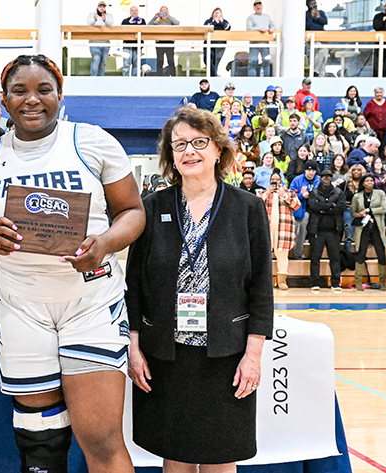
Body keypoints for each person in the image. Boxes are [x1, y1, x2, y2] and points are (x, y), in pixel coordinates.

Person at [0, 53, 142, 473]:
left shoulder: (92, 141)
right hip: (22, 305)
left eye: (44, 90)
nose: (32, 100)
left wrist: (106, 242)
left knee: (99, 438)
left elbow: (132, 211)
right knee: (40, 442)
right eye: (19, 91)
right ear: (3, 100)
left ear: (60, 94)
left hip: (90, 301)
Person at [126, 107, 272, 471]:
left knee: (221, 456)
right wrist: (134, 345)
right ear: (170, 156)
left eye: (198, 142)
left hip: (226, 355)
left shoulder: (248, 208)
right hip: (166, 354)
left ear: (218, 150)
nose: (189, 151)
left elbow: (262, 289)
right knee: (174, 453)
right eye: (179, 145)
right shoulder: (152, 206)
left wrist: (253, 355)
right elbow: (134, 284)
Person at [307, 168, 346, 292]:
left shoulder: (339, 192)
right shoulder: (314, 192)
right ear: (321, 178)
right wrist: (331, 206)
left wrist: (323, 208)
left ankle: (335, 283)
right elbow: (313, 206)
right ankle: (315, 283)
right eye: (324, 177)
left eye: (329, 177)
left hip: (334, 230)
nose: (326, 179)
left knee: (335, 257)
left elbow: (341, 207)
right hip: (317, 230)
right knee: (315, 257)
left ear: (332, 179)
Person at [262, 169, 300, 290]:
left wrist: (284, 195)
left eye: (278, 180)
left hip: (283, 229)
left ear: (282, 181)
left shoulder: (289, 193)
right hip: (266, 229)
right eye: (273, 180)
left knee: (282, 254)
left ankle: (282, 280)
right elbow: (255, 205)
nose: (275, 182)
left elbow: (296, 205)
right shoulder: (264, 193)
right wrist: (267, 193)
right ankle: (264, 282)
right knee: (263, 255)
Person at [351, 174, 386, 291]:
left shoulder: (380, 193)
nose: (370, 183)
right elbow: (353, 213)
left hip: (377, 227)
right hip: (363, 227)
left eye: (371, 181)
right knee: (361, 253)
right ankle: (358, 281)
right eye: (367, 181)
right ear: (363, 183)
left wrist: (369, 210)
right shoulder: (357, 196)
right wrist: (359, 214)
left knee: (381, 254)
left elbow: (383, 209)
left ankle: (383, 282)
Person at [289, 159, 319, 260]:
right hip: (302, 210)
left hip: (317, 210)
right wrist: (302, 195)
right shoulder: (297, 180)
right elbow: (290, 195)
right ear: (305, 170)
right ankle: (297, 254)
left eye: (313, 171)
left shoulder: (319, 180)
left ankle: (315, 256)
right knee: (301, 230)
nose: (310, 173)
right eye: (308, 170)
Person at [246, 0, 275, 77]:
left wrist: (272, 29)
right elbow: (249, 28)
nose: (258, 7)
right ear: (254, 8)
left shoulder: (267, 17)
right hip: (254, 42)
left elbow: (272, 26)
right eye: (256, 6)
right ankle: (252, 78)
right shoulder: (251, 17)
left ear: (262, 6)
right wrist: (259, 29)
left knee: (266, 60)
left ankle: (266, 76)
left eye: (259, 5)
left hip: (265, 42)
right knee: (253, 61)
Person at [363, 87, 386, 155]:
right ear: (375, 94)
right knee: (373, 147)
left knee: (383, 147)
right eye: (377, 93)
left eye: (380, 92)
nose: (379, 94)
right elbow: (365, 116)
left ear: (383, 93)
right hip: (373, 130)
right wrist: (368, 126)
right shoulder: (370, 103)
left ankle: (382, 162)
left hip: (384, 129)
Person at [150, 6, 179, 77]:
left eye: (165, 11)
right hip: (160, 42)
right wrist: (155, 17)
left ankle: (173, 75)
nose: (163, 13)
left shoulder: (170, 21)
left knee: (171, 60)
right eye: (162, 11)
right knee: (160, 60)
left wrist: (169, 16)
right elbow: (149, 25)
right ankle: (159, 75)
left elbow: (177, 23)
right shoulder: (157, 22)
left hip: (169, 42)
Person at [87, 1, 114, 76]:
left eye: (103, 7)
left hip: (105, 43)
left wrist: (105, 19)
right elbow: (89, 23)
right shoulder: (92, 15)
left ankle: (101, 78)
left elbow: (111, 23)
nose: (102, 8)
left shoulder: (109, 15)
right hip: (94, 43)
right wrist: (95, 19)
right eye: (100, 7)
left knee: (103, 62)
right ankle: (93, 77)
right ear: (97, 7)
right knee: (96, 58)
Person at [204, 8, 230, 77]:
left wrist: (221, 22)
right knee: (207, 59)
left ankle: (213, 75)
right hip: (209, 44)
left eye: (219, 13)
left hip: (220, 44)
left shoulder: (224, 22)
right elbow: (206, 27)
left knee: (216, 61)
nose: (217, 15)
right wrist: (215, 22)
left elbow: (228, 27)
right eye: (215, 13)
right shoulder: (209, 21)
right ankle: (214, 74)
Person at [120, 6, 145, 76]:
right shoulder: (125, 21)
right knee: (126, 65)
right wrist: (130, 22)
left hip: (138, 47)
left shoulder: (142, 21)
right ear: (130, 12)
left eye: (136, 10)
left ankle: (135, 81)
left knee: (136, 66)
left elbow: (145, 30)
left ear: (138, 11)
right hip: (127, 46)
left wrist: (140, 24)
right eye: (133, 11)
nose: (134, 12)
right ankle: (125, 80)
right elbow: (122, 29)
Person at [305, 1, 327, 77]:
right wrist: (312, 17)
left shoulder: (321, 13)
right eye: (311, 4)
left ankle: (321, 74)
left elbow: (325, 22)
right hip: (312, 39)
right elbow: (309, 26)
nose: (313, 5)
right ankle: (315, 71)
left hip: (322, 38)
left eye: (314, 3)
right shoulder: (307, 15)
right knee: (320, 50)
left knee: (325, 54)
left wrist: (318, 17)